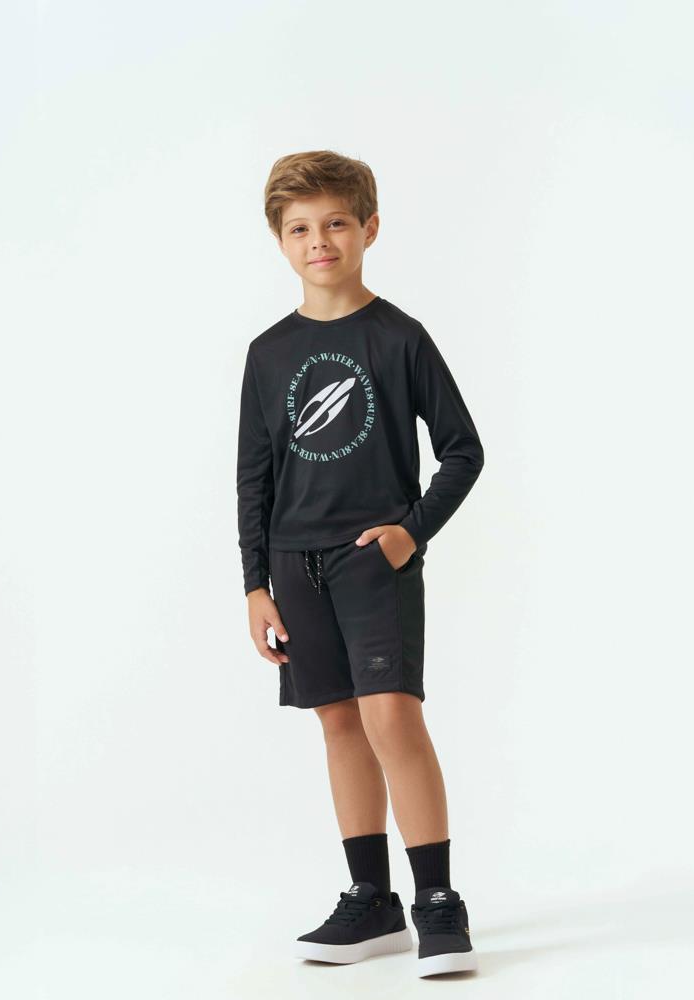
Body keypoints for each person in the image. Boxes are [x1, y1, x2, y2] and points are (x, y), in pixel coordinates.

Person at [236, 149, 485, 978]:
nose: (320, 241)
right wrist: (254, 583)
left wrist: (411, 533)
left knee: (391, 718)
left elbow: (462, 450)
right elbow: (254, 476)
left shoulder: (399, 338)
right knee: (338, 722)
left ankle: (437, 901)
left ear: (369, 228)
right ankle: (371, 900)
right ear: (280, 240)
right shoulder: (267, 354)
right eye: (300, 228)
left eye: (337, 223)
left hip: (375, 565)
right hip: (293, 565)